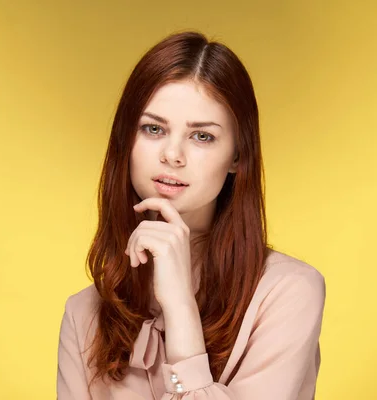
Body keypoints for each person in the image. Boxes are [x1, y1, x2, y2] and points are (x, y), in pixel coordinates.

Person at [56, 31, 326, 399]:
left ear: (237, 156)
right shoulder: (84, 314)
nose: (172, 154)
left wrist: (181, 307)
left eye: (202, 136)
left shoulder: (287, 294)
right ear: (126, 141)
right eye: (153, 129)